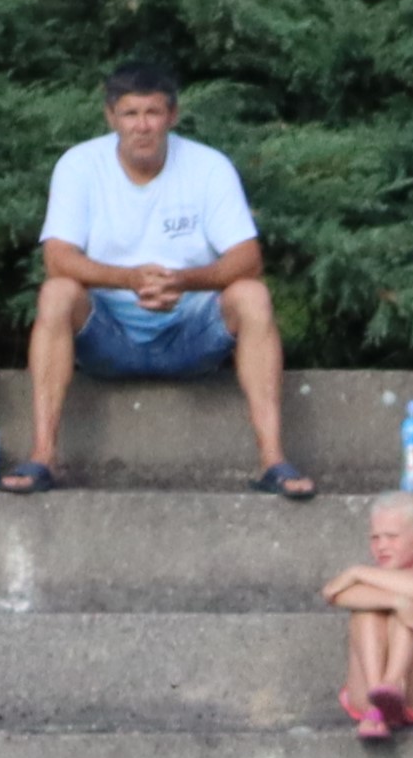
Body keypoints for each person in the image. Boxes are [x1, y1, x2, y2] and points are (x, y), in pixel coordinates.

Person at [16, 62, 303, 496]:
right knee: (57, 293)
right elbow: (57, 260)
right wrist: (128, 278)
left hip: (190, 332)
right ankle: (43, 457)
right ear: (111, 117)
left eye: (153, 112)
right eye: (130, 114)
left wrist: (184, 281)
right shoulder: (79, 165)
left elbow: (248, 259)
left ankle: (273, 461)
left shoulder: (209, 166)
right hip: (107, 334)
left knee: (253, 296)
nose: (142, 126)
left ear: (173, 115)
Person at [318, 491, 413, 742]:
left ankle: (392, 684)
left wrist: (357, 572)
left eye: (391, 537)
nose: (381, 546)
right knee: (367, 612)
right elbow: (336, 595)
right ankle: (379, 699)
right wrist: (396, 602)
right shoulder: (372, 581)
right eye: (375, 538)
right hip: (365, 696)